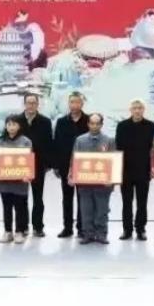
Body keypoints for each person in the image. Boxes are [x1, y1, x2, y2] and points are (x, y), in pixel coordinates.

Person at [114, 98, 154, 241]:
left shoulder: (151, 126)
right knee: (127, 202)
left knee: (142, 202)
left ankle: (141, 229)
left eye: (140, 108)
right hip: (126, 170)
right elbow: (118, 148)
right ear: (130, 110)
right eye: (135, 108)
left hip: (143, 170)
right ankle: (127, 229)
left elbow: (153, 149)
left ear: (144, 110)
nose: (137, 110)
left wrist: (153, 167)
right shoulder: (122, 126)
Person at [74, 113, 116, 245]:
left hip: (103, 184)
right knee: (86, 210)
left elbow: (114, 161)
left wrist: (112, 181)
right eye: (92, 123)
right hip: (85, 183)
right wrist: (72, 175)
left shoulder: (109, 140)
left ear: (101, 125)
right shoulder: (80, 140)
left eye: (97, 123)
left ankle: (101, 234)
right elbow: (74, 160)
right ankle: (88, 234)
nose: (94, 126)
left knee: (102, 211)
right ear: (88, 124)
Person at [15, 94, 53, 238]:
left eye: (33, 103)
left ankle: (38, 227)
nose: (31, 105)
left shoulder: (45, 121)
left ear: (38, 105)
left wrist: (48, 164)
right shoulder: (16, 120)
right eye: (28, 103)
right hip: (20, 165)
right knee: (21, 197)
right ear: (24, 104)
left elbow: (49, 143)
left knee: (38, 197)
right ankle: (23, 226)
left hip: (38, 164)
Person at [53, 91, 88, 238]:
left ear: (82, 103)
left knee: (82, 198)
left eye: (77, 102)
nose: (75, 105)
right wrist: (56, 165)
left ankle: (81, 227)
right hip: (65, 165)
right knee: (67, 198)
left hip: (84, 166)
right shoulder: (61, 122)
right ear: (68, 104)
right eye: (72, 102)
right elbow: (57, 144)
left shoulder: (89, 121)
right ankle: (67, 227)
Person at [0, 115, 33, 244]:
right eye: (9, 124)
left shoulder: (26, 141)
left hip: (19, 180)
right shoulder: (0, 141)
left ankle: (19, 232)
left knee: (20, 206)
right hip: (4, 180)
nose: (11, 127)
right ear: (5, 126)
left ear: (19, 126)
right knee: (6, 206)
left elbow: (29, 160)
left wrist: (28, 174)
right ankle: (8, 231)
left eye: (14, 124)